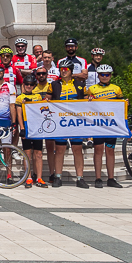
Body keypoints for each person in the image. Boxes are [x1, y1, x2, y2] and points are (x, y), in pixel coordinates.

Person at [50, 59, 85, 188]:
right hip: (60, 122)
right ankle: (58, 176)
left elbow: (87, 99)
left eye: (66, 69)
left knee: (77, 149)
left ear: (71, 71)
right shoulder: (54, 84)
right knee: (59, 149)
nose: (63, 71)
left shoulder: (80, 84)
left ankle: (80, 178)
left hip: (75, 122)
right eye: (61, 69)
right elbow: (47, 99)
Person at [86, 65, 123, 188]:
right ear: (98, 75)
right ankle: (98, 178)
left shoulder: (116, 89)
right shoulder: (92, 88)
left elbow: (121, 106)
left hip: (111, 125)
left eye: (107, 74)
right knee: (98, 150)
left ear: (111, 75)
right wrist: (88, 99)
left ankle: (111, 178)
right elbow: (86, 106)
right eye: (102, 74)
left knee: (110, 151)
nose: (105, 77)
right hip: (98, 124)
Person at [16, 75, 47, 188]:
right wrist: (22, 129)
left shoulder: (38, 96)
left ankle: (39, 178)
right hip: (27, 127)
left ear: (34, 86)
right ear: (23, 85)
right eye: (27, 84)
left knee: (38, 153)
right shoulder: (20, 97)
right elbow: (19, 114)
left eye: (31, 85)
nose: (29, 86)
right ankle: (28, 177)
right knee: (27, 153)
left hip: (37, 127)